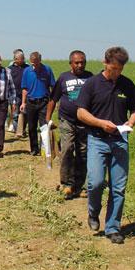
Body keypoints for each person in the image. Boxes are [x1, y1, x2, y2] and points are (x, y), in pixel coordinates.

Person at [76, 46, 135, 244]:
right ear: (105, 63)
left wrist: (131, 122)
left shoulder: (127, 85)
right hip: (97, 139)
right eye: (114, 69)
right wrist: (100, 123)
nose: (117, 73)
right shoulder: (92, 84)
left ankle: (113, 227)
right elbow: (81, 113)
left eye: (120, 69)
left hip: (120, 141)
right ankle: (93, 212)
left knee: (118, 188)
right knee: (95, 182)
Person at [45, 50, 94, 199]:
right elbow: (53, 99)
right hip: (67, 120)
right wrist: (48, 119)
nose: (80, 65)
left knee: (83, 153)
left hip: (85, 123)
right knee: (66, 149)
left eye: (82, 62)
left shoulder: (91, 78)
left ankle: (80, 185)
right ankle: (66, 183)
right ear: (71, 63)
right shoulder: (64, 78)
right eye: (77, 62)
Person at [20, 52, 56, 156]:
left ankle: (45, 148)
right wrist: (23, 103)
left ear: (40, 60)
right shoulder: (27, 71)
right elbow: (24, 88)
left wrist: (54, 101)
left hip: (44, 102)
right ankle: (34, 148)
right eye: (32, 63)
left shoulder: (47, 70)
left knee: (44, 126)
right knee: (31, 127)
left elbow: (53, 86)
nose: (34, 66)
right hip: (30, 102)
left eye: (36, 63)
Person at [8, 51, 29, 134]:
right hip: (14, 95)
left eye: (23, 58)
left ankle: (22, 129)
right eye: (21, 59)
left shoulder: (28, 68)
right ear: (15, 59)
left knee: (25, 113)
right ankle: (17, 130)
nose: (23, 60)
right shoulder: (10, 69)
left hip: (26, 94)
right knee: (15, 114)